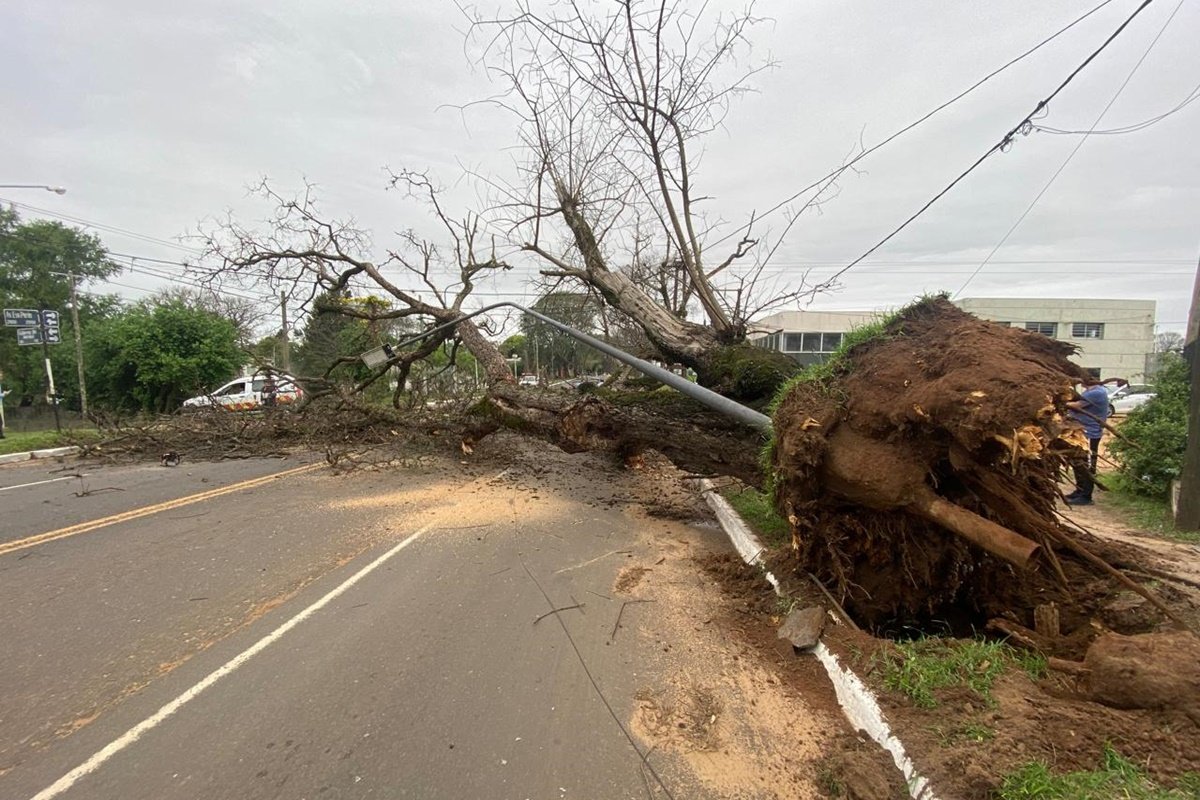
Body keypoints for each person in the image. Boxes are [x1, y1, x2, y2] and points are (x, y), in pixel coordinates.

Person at [1064, 376, 1126, 506]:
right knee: (1078, 462)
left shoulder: (1096, 393)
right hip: (1082, 432)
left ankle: (1086, 496)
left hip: (1090, 433)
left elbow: (1077, 405)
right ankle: (1079, 490)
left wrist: (1060, 402)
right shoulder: (1091, 391)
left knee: (1088, 464)